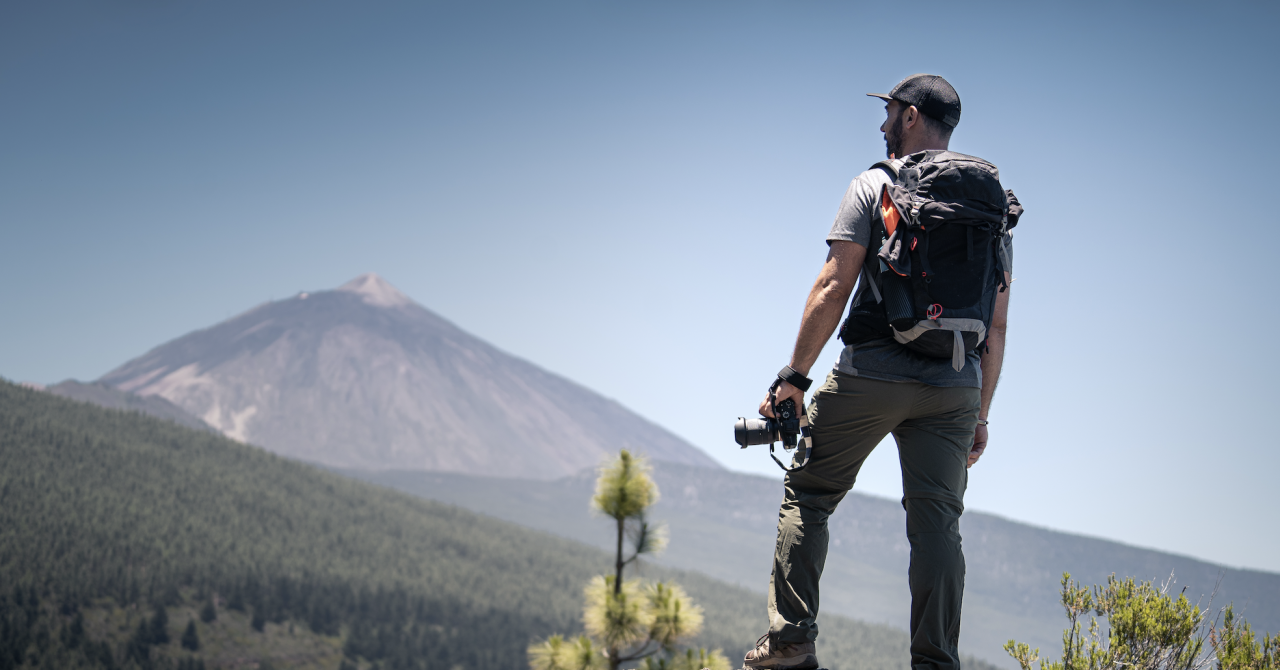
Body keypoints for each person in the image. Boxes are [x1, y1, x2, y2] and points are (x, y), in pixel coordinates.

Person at [743, 74, 1014, 670]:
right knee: (937, 522)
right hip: (954, 386)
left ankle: (789, 643)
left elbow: (833, 284)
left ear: (912, 116)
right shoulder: (989, 208)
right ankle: (935, 662)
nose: (883, 120)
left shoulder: (875, 185)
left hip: (871, 372)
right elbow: (995, 326)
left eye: (890, 109)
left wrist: (793, 377)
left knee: (809, 494)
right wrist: (982, 413)